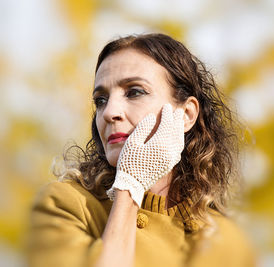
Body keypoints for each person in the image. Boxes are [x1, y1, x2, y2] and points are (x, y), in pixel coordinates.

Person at [26, 33, 256, 267]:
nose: (108, 112)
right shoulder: (64, 205)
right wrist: (130, 186)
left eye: (134, 91)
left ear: (186, 115)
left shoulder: (225, 242)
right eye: (101, 100)